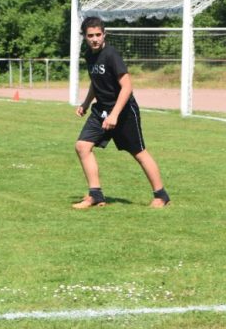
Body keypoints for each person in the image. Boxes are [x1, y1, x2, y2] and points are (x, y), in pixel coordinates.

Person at [72, 16, 170, 210]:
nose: (95, 39)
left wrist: (115, 114)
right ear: (84, 36)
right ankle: (95, 194)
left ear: (104, 34)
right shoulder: (89, 54)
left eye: (98, 35)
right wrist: (85, 103)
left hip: (123, 111)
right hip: (101, 110)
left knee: (138, 153)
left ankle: (161, 195)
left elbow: (127, 87)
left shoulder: (111, 55)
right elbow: (96, 81)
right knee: (82, 146)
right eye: (90, 35)